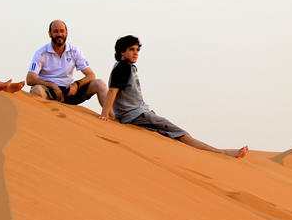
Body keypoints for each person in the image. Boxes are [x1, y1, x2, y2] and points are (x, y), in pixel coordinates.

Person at [100, 35, 248, 158]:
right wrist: (105, 115)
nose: (136, 53)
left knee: (172, 135)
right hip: (138, 115)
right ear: (122, 52)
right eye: (131, 49)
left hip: (137, 115)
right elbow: (112, 91)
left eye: (137, 49)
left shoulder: (124, 67)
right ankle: (223, 153)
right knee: (181, 134)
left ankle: (222, 152)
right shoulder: (123, 67)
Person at [26, 20, 108, 107]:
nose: (59, 34)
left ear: (67, 33)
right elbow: (30, 79)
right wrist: (53, 86)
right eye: (56, 31)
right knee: (37, 90)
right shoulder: (41, 53)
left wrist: (76, 84)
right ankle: (44, 117)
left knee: (99, 84)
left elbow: (91, 75)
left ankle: (111, 117)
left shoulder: (74, 51)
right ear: (50, 34)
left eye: (62, 31)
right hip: (49, 91)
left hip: (69, 91)